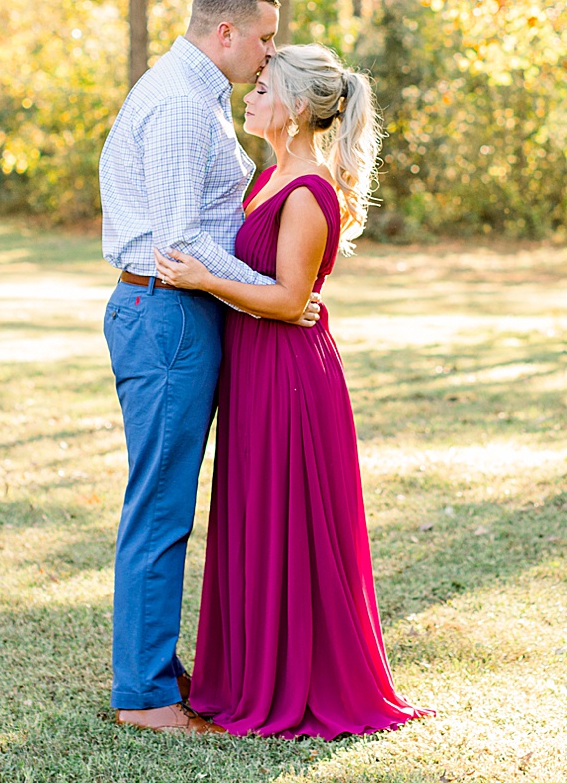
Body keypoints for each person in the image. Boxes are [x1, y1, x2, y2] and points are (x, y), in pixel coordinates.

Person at [155, 43, 436, 739]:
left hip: (289, 374)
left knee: (291, 520)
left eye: (262, 89)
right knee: (255, 513)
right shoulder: (268, 176)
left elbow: (286, 299)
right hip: (252, 368)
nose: (248, 97)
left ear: (298, 108)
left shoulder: (309, 190)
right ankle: (249, 670)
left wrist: (202, 279)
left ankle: (299, 680)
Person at [98, 0, 321, 735]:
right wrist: (277, 289)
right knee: (160, 506)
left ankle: (155, 669)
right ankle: (146, 697)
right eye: (263, 38)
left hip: (184, 313)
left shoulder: (196, 99)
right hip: (166, 316)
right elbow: (179, 241)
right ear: (224, 33)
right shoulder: (177, 106)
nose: (268, 56)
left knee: (168, 503)